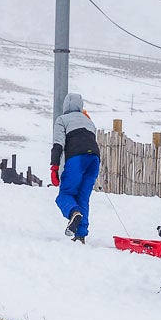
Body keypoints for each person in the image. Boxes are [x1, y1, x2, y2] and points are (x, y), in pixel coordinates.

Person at [50, 92, 100, 243]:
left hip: (76, 159)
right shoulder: (89, 121)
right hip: (94, 160)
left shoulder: (61, 120)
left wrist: (54, 167)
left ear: (65, 106)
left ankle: (74, 213)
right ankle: (80, 235)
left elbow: (58, 145)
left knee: (64, 195)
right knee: (83, 197)